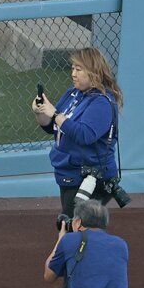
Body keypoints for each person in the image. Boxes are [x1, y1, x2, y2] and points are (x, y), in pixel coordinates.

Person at [32, 46, 124, 224]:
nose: (73, 73)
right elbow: (53, 126)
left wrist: (55, 114)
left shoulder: (102, 103)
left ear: (93, 72)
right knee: (75, 226)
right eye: (73, 68)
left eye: (79, 69)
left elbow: (84, 135)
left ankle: (75, 251)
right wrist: (40, 111)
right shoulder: (74, 93)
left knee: (70, 226)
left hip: (91, 177)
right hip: (69, 172)